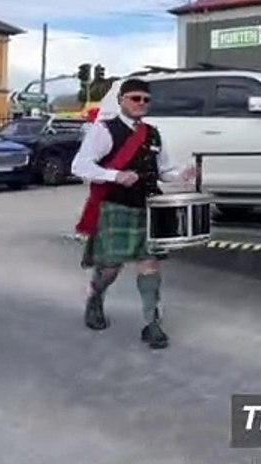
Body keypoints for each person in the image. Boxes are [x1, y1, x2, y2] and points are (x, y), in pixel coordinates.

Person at [71, 78, 195, 349]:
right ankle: (95, 297)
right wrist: (115, 175)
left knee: (150, 264)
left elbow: (164, 170)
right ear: (121, 100)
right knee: (111, 267)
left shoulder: (152, 134)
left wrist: (181, 175)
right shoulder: (104, 130)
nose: (141, 104)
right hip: (116, 207)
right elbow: (79, 166)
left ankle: (152, 323)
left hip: (150, 207)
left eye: (146, 100)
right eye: (135, 98)